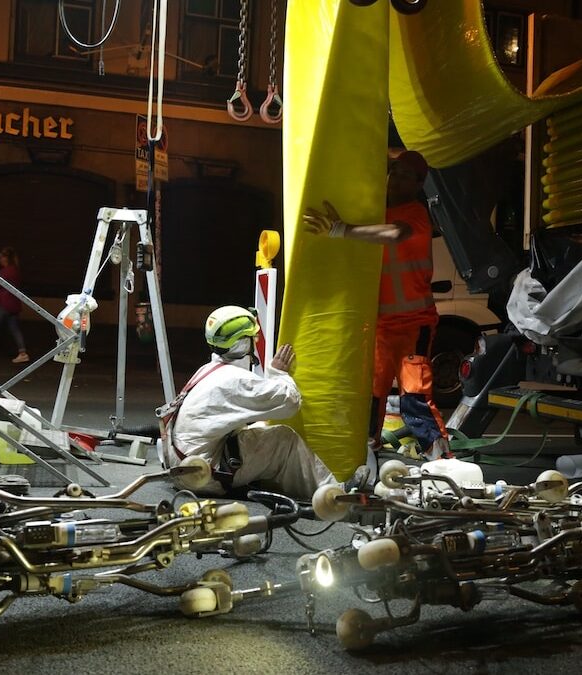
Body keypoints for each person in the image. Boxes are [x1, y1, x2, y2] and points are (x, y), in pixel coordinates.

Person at [303, 150, 451, 460]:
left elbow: (394, 234)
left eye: (404, 175)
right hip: (381, 326)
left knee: (414, 394)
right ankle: (366, 451)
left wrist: (341, 229)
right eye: (394, 172)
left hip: (414, 324)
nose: (395, 179)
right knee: (371, 393)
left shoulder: (415, 214)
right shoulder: (375, 211)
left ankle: (441, 459)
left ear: (418, 184)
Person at [160, 306, 368, 500]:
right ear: (243, 343)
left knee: (261, 426)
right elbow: (289, 402)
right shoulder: (234, 380)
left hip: (183, 467)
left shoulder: (208, 370)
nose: (256, 341)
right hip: (203, 476)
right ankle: (335, 494)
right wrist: (278, 372)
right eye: (253, 338)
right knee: (284, 439)